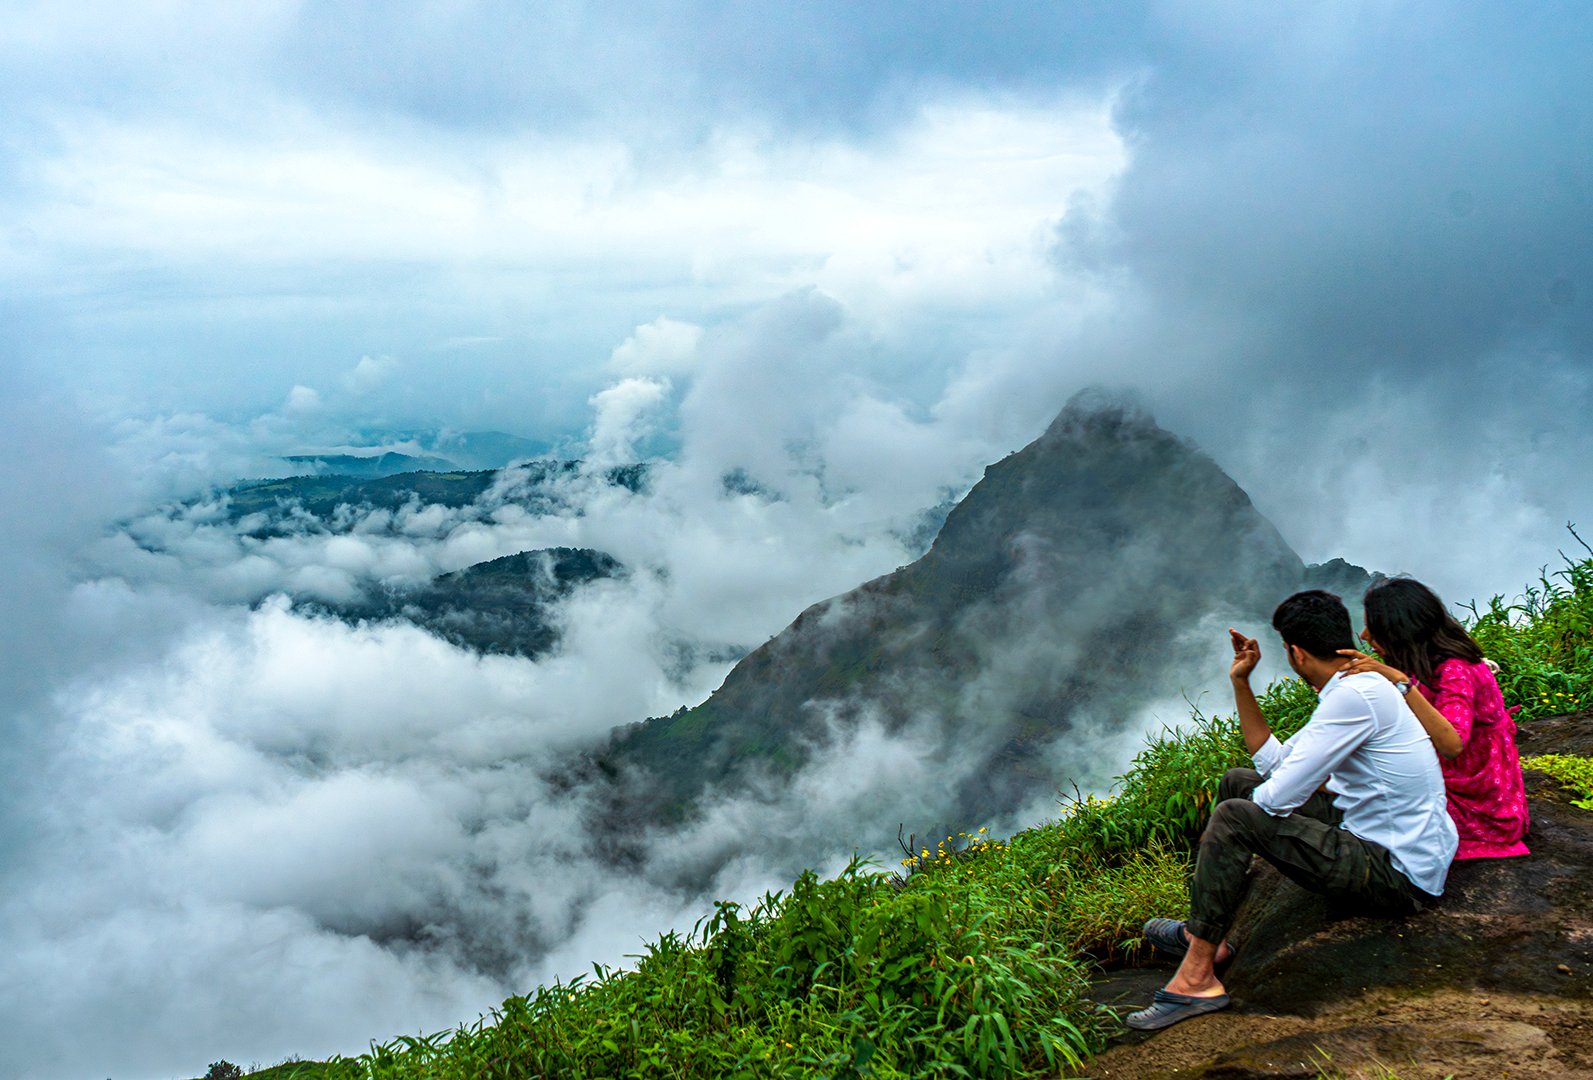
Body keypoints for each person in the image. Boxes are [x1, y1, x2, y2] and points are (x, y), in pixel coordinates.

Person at [1125, 590, 1458, 1031]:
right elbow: (1275, 766)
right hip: (1380, 835)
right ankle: (1205, 934)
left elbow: (1276, 798)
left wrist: (1225, 834)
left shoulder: (1353, 698)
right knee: (1237, 782)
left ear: (1296, 653)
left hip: (1398, 873)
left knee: (1235, 815)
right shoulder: (1361, 685)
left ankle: (1198, 978)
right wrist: (1241, 682)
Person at [1338, 577, 1530, 860]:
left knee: (1364, 805)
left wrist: (1400, 683)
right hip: (1452, 780)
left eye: (1373, 628)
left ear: (1400, 631)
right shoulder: (1425, 662)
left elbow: (1452, 744)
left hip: (1479, 805)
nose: (1364, 635)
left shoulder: (1456, 669)